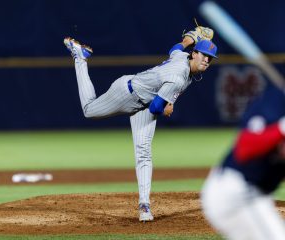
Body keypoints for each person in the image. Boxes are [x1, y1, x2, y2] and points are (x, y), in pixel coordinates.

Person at [64, 26, 218, 222]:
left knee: (143, 151)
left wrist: (189, 38)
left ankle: (144, 205)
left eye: (210, 57)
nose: (206, 59)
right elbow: (155, 108)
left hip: (143, 103)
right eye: (203, 54)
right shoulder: (178, 77)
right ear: (194, 54)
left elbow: (174, 49)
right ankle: (80, 57)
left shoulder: (182, 58)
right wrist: (167, 108)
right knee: (88, 110)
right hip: (128, 92)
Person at [201, 83, 285, 239]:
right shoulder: (276, 102)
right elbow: (244, 149)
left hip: (257, 196)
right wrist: (281, 129)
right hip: (235, 193)